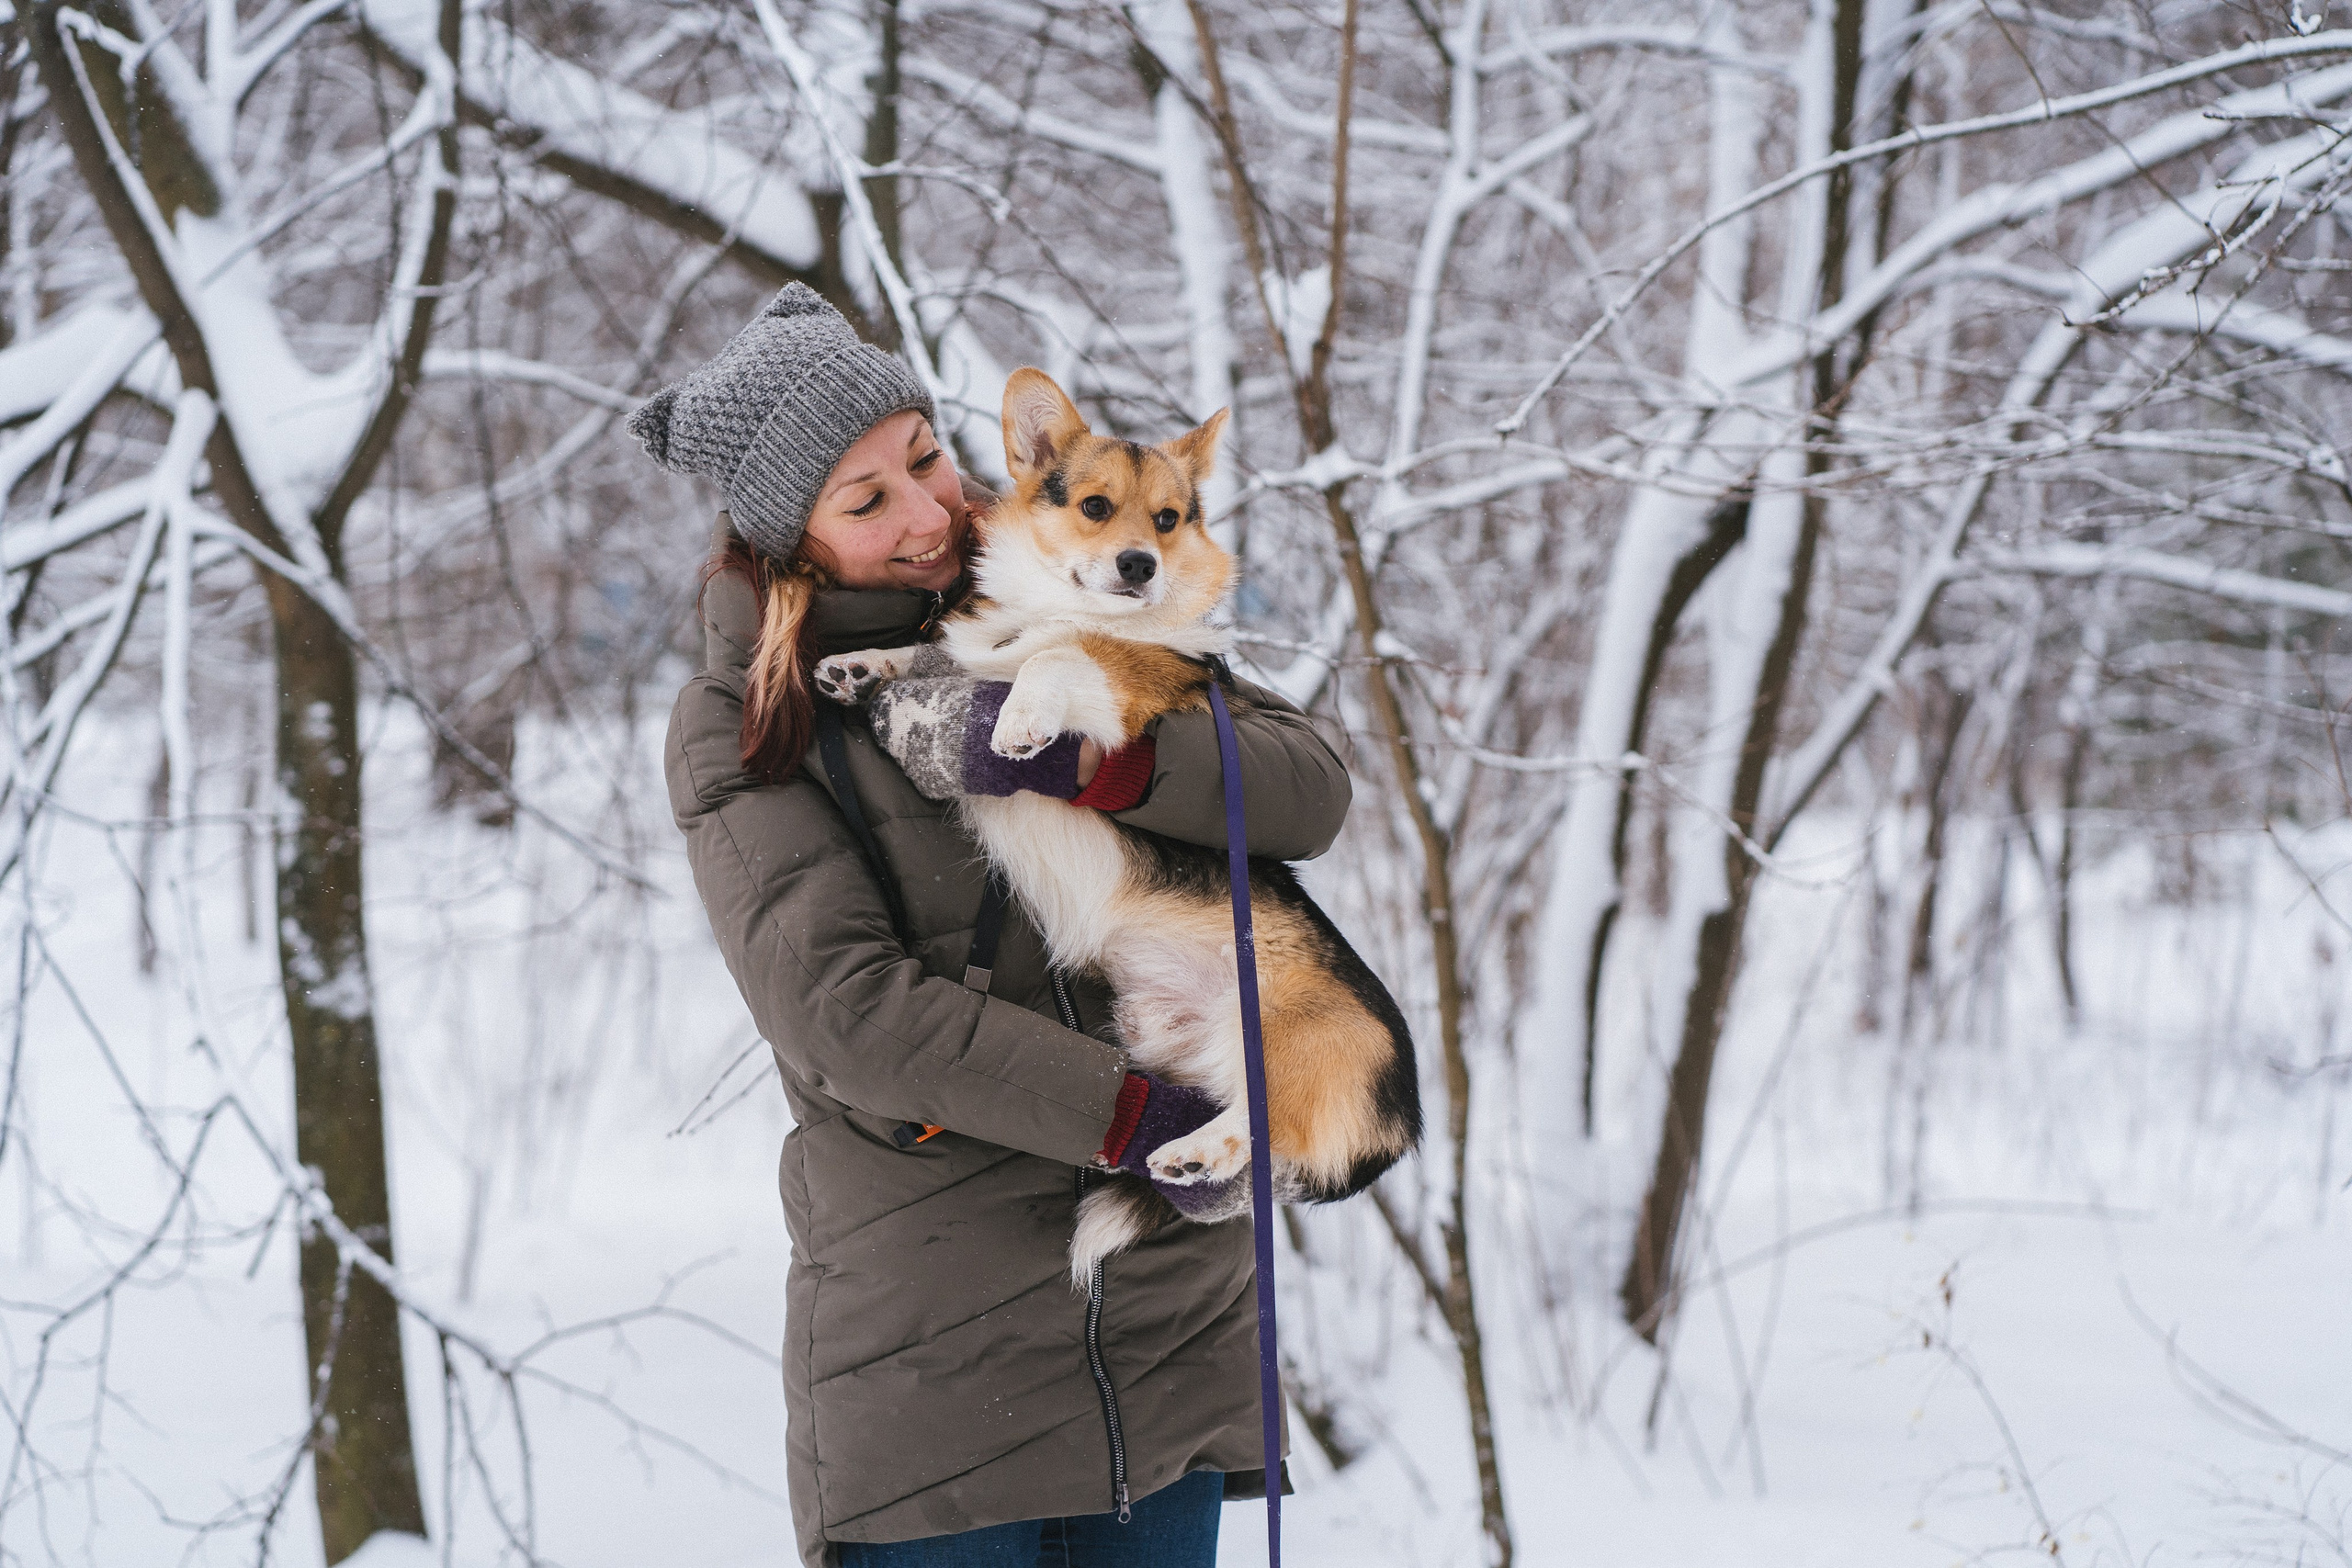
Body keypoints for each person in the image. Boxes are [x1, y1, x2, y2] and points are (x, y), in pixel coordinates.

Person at [641, 286, 1350, 1567]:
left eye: (924, 459)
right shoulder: (751, 721)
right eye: (866, 502)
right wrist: (1136, 1115)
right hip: (940, 1365)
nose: (925, 514)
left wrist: (1108, 760)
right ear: (790, 544)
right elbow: (847, 1015)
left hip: (1161, 1325)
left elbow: (1307, 787)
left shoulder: (1079, 585)